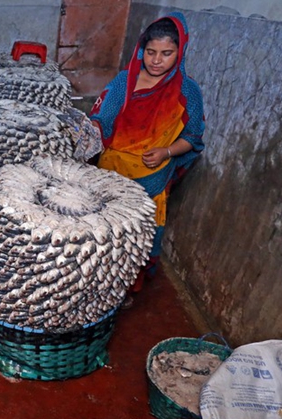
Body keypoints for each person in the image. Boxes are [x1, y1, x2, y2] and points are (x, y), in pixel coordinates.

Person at [90, 12, 205, 308]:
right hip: (111, 171)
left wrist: (166, 152)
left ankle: (129, 287)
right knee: (104, 231)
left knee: (140, 235)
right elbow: (103, 118)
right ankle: (97, 282)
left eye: (167, 53)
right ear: (142, 50)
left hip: (152, 176)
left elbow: (192, 137)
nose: (156, 60)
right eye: (151, 52)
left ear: (180, 53)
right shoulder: (124, 81)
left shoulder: (187, 92)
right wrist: (89, 131)